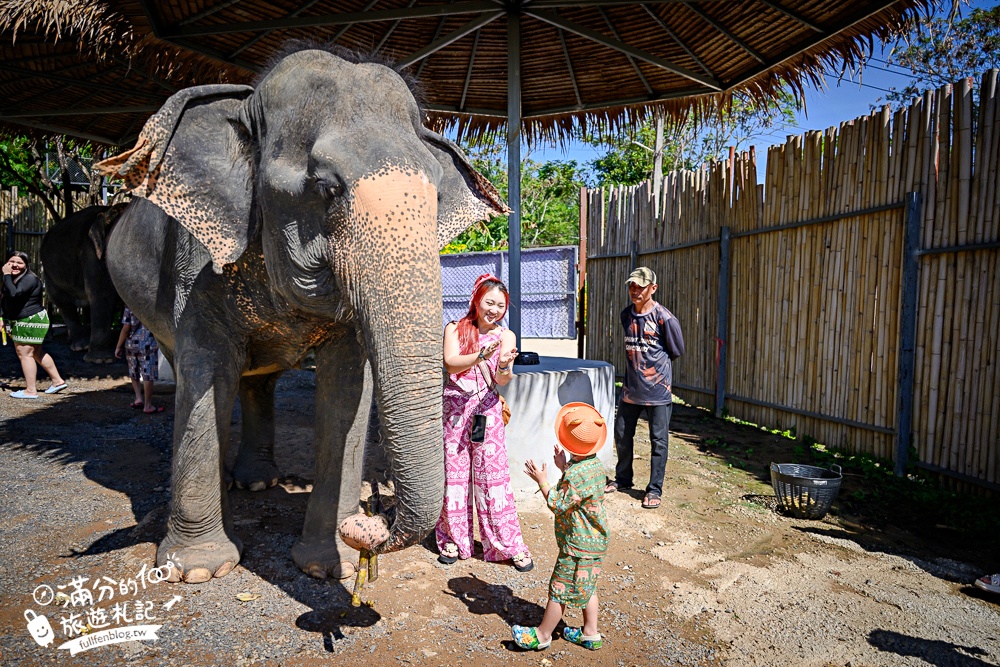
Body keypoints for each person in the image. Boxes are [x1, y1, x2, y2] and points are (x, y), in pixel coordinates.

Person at [435, 273, 533, 572]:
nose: (494, 309)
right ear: (476, 300)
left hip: (486, 411)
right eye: (489, 302)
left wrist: (503, 364)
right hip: (453, 412)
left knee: (493, 480)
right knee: (454, 478)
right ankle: (453, 539)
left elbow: (503, 377)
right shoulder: (454, 328)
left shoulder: (506, 336)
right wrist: (480, 355)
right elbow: (451, 362)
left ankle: (507, 545)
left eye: (500, 305)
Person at [514, 402, 610, 651]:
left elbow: (557, 503)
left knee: (560, 587)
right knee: (587, 586)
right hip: (594, 542)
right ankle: (590, 633)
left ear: (568, 442)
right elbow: (579, 487)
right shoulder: (595, 466)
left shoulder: (577, 475)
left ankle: (543, 634)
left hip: (576, 545)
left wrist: (543, 480)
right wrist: (563, 467)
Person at [605, 266, 684, 510]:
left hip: (658, 392)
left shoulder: (664, 318)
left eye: (640, 286)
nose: (635, 290)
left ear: (653, 288)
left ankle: (654, 489)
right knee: (621, 434)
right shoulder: (626, 315)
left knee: (658, 441)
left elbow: (676, 350)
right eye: (632, 285)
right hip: (631, 390)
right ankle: (623, 479)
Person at [1, 251, 67, 399]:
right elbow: (4, 298)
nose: (15, 265)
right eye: (12, 261)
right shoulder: (14, 278)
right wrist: (2, 317)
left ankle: (30, 390)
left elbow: (13, 294)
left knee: (24, 353)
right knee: (36, 352)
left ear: (26, 265)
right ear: (7, 262)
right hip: (28, 320)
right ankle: (57, 381)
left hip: (30, 320)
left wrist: (5, 275)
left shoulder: (29, 279)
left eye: (19, 263)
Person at [114, 306, 164, 414]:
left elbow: (125, 328)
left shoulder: (130, 306)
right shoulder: (151, 305)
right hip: (148, 345)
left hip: (131, 345)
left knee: (134, 371)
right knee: (148, 375)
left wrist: (118, 346)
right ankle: (148, 405)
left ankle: (138, 398)